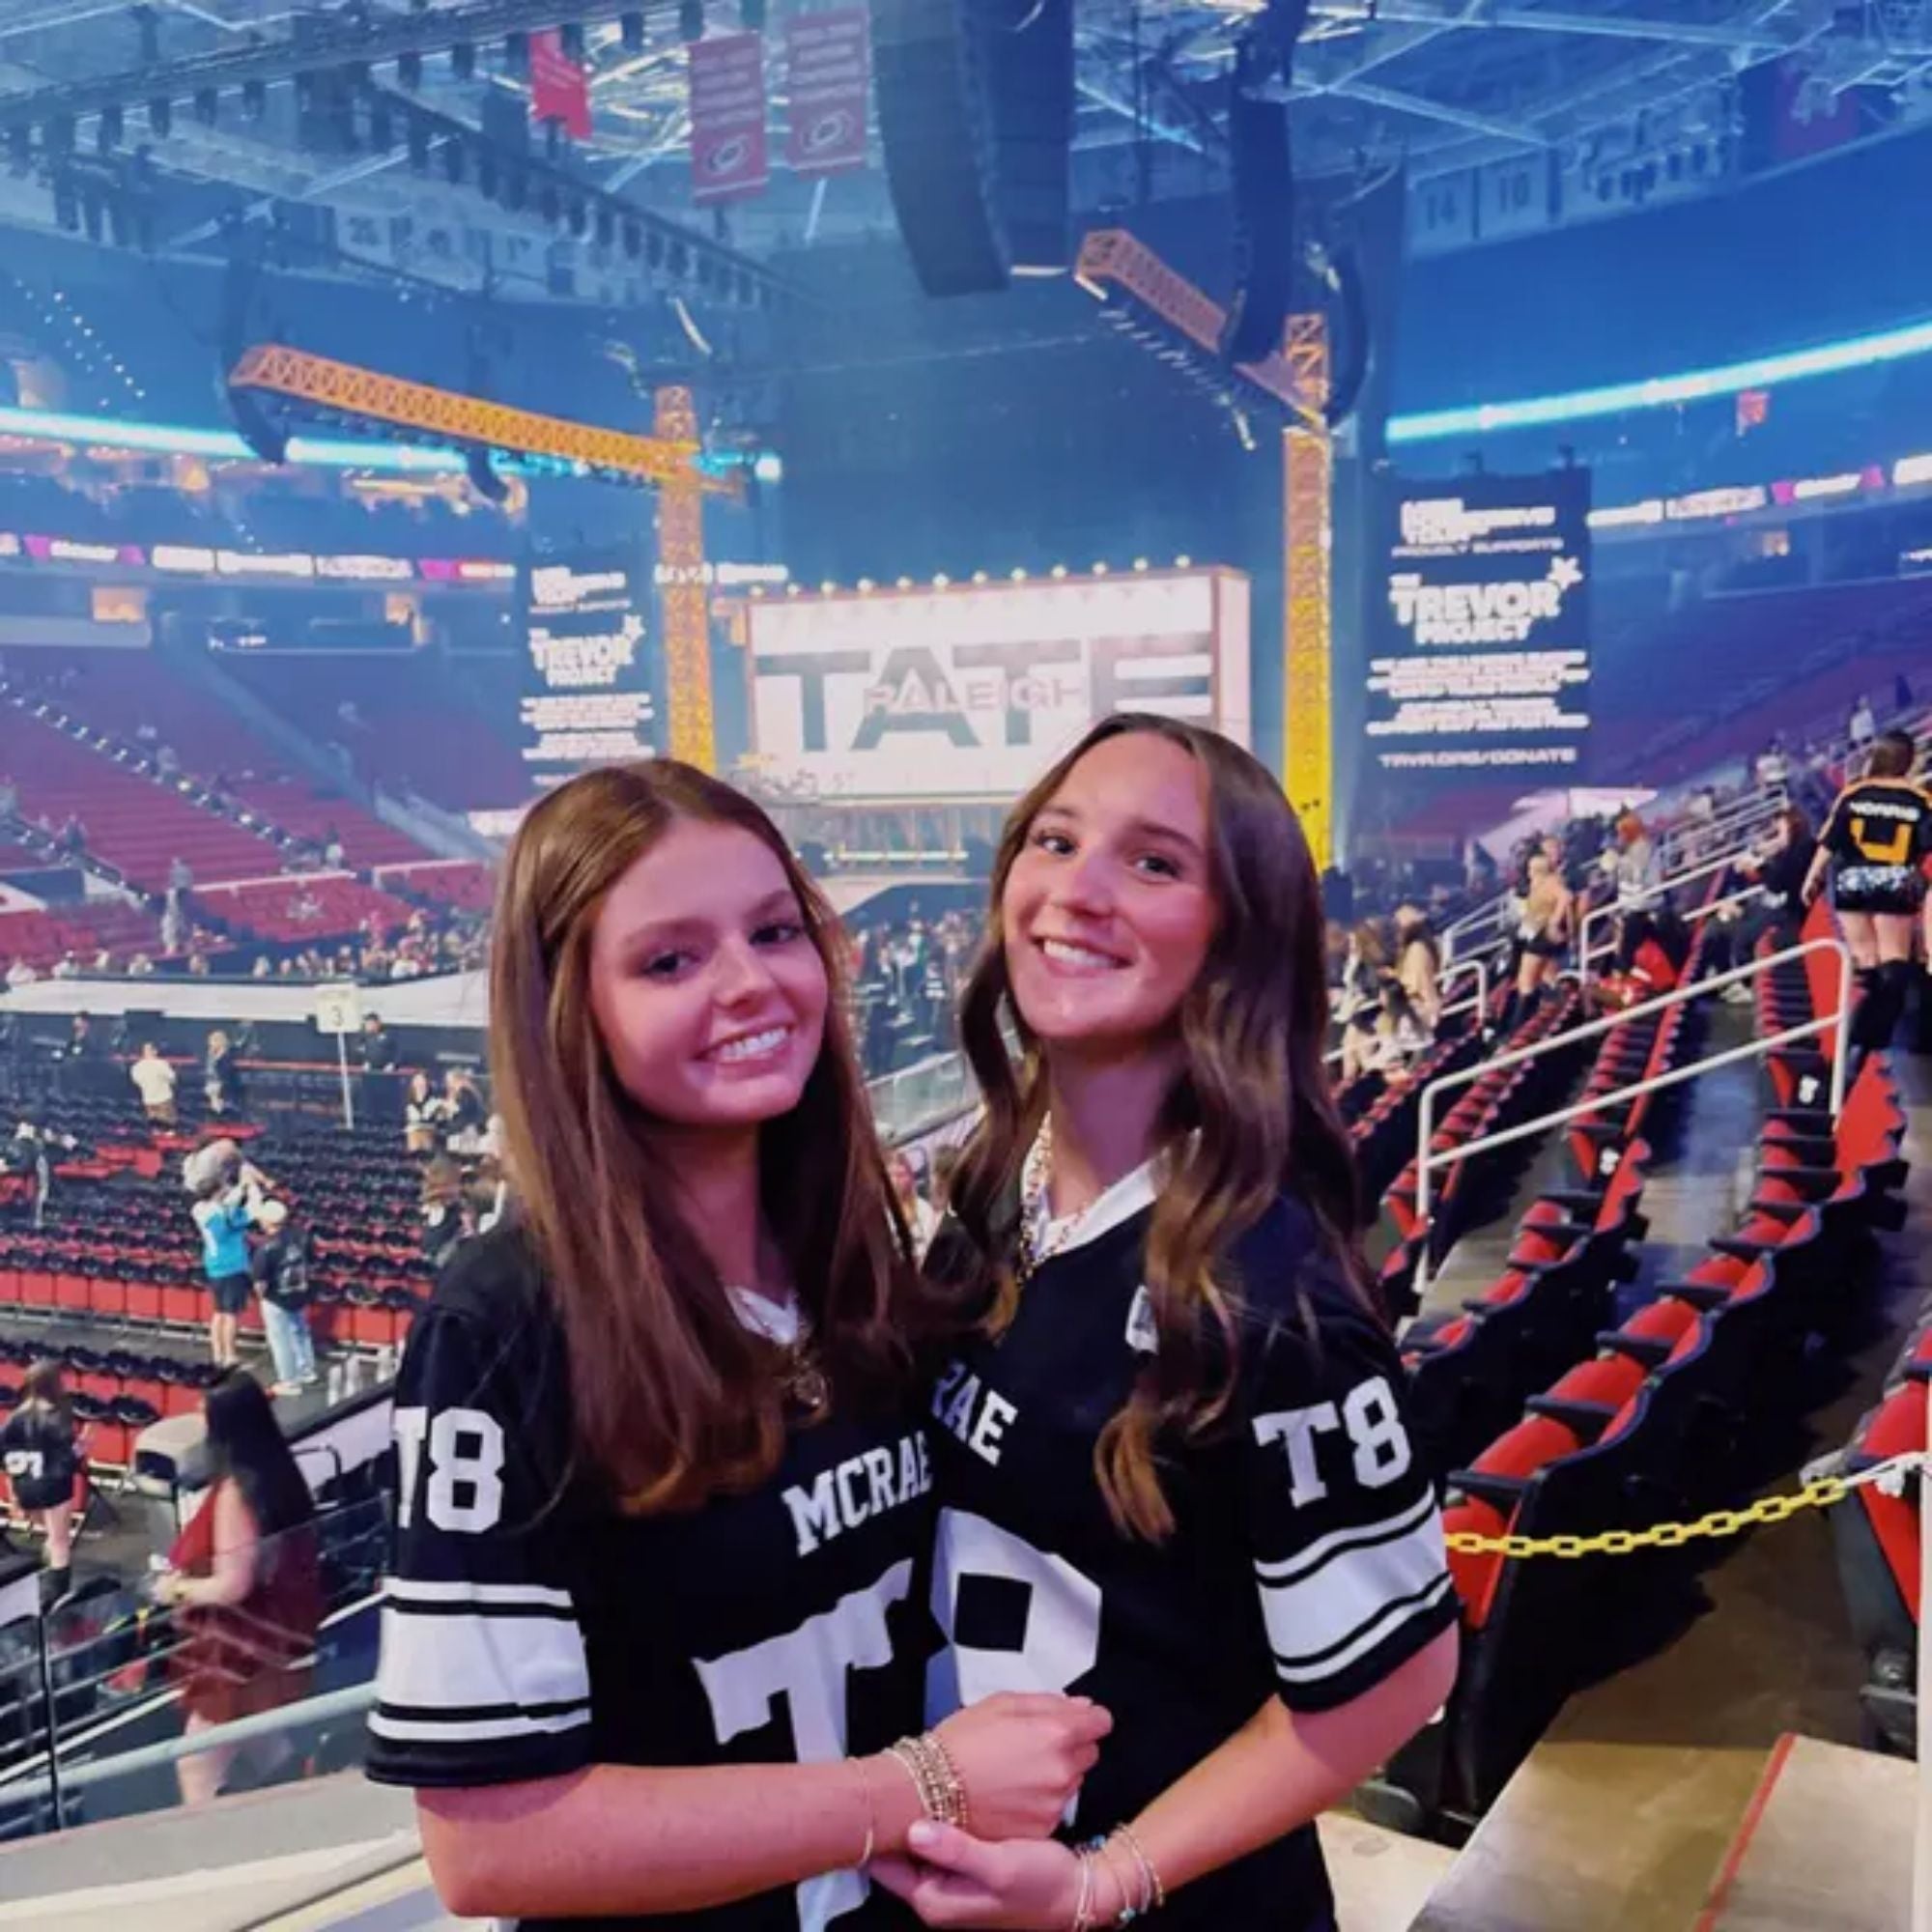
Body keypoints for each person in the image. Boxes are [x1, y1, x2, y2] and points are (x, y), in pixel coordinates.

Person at [365, 759, 1106, 1928]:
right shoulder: (502, 1328)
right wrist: (913, 1783)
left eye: (774, 931)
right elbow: (487, 1846)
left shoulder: (852, 1257)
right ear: (573, 1008)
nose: (750, 982)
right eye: (669, 959)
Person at [896, 716, 1456, 1932]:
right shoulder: (999, 1182)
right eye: (1055, 838)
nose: (1076, 889)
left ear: (1232, 936)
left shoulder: (1272, 1291)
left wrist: (1106, 1878)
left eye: (1152, 862)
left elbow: (1396, 1674)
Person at [156, 1372, 322, 1805]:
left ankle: (209, 1857)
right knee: (267, 1748)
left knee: (195, 1764)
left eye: (205, 1410)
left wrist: (176, 1590)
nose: (197, 1415)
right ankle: (309, 1816)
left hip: (235, 1649)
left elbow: (232, 1583)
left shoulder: (234, 1491)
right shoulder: (277, 1473)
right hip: (270, 1643)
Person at [1803, 727, 1932, 1057]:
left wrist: (1812, 877)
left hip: (1853, 880)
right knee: (1895, 959)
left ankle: (1863, 1041)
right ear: (1908, 761)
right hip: (1896, 879)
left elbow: (1830, 841)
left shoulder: (1853, 793)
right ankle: (1876, 1032)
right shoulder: (1920, 799)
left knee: (1866, 959)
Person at [0, 1360, 81, 1604]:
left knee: (49, 1535)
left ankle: (47, 1578)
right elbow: (67, 1461)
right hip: (52, 1485)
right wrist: (81, 1450)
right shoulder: (57, 1417)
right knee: (59, 1542)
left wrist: (12, 1491)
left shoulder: (15, 1417)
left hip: (26, 1486)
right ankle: (56, 1599)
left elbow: (3, 1455)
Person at [188, 1143, 266, 1371]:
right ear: (216, 1192)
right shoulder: (226, 1215)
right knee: (230, 1314)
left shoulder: (200, 1210)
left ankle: (217, 1354)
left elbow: (226, 1202)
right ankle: (231, 1357)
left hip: (213, 1265)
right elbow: (252, 1211)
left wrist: (239, 1188)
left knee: (219, 1312)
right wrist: (251, 1188)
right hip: (231, 1265)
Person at [250, 1198, 318, 1395]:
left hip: (276, 1299)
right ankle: (307, 1371)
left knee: (281, 1340)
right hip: (299, 1292)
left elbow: (260, 1284)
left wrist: (261, 1298)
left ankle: (289, 1381)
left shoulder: (265, 1250)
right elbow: (311, 1263)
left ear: (266, 1222)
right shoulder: (302, 1235)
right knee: (300, 1331)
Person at [1505, 849, 1574, 1030]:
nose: (1528, 872)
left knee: (1525, 981)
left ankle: (1518, 1026)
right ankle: (1551, 1009)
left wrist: (1554, 922)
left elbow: (1566, 897)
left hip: (1543, 937)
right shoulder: (1539, 884)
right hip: (1537, 934)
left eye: (1531, 868)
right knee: (1546, 977)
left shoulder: (1551, 882)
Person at [1393, 903, 1443, 1034]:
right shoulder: (1413, 948)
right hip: (1414, 1004)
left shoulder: (1417, 949)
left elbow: (1423, 981)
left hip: (1418, 1006)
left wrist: (1431, 1006)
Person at [888, 1148, 941, 1259]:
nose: (896, 1181)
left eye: (900, 1175)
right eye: (891, 1176)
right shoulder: (882, 1213)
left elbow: (931, 1245)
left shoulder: (923, 1208)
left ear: (910, 1176)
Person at [129, 1040, 179, 1125]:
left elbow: (136, 1082)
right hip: (163, 1100)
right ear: (155, 1051)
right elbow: (172, 1079)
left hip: (149, 1100)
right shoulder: (161, 1064)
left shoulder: (136, 1067)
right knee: (168, 1126)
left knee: (155, 1126)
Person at [402, 1069, 446, 1154]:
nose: (420, 1085)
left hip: (428, 1134)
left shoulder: (434, 1101)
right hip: (413, 1135)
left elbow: (440, 1119)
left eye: (422, 1082)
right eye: (418, 1082)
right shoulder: (408, 1102)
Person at [205, 1028, 243, 1118]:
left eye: (212, 1041)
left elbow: (228, 1073)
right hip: (214, 1083)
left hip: (224, 1085)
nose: (210, 1044)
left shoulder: (229, 1054)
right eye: (210, 1041)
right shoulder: (209, 1055)